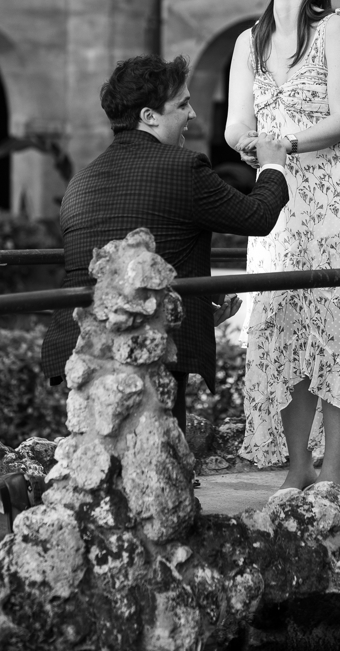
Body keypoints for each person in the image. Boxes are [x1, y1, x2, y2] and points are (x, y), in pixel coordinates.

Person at [40, 54, 293, 433]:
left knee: (102, 456)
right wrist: (273, 165)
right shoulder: (183, 168)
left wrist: (195, 314)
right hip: (153, 348)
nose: (192, 114)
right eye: (182, 104)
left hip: (79, 345)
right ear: (149, 116)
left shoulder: (80, 182)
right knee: (156, 469)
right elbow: (257, 217)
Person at [225, 0, 340, 490]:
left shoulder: (334, 29)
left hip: (337, 194)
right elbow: (233, 125)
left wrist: (285, 144)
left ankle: (337, 467)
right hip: (278, 197)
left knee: (339, 316)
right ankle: (298, 465)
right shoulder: (247, 43)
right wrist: (251, 144)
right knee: (286, 320)